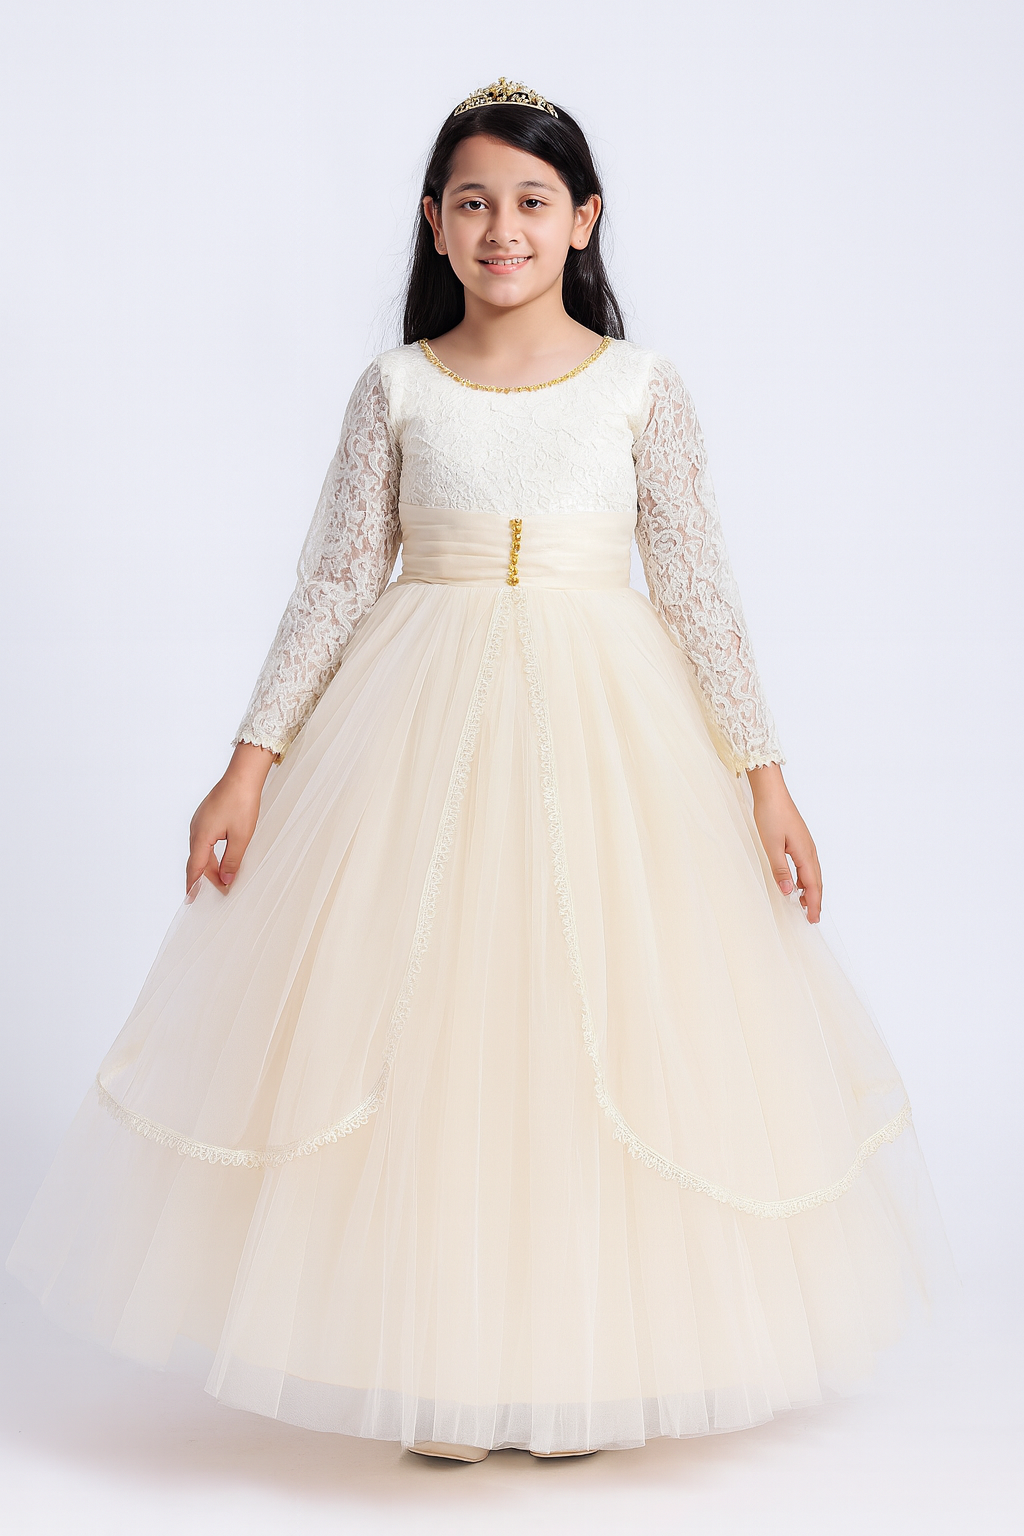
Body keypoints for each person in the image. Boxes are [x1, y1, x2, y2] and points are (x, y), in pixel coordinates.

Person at [8, 77, 946, 1463]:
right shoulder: (397, 387)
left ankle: (574, 1365)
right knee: (430, 1030)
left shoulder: (640, 389)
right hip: (415, 732)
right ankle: (440, 1366)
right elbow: (334, 583)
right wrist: (248, 766)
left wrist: (764, 777)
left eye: (531, 201)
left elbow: (698, 587)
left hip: (609, 738)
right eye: (473, 202)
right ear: (434, 224)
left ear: (584, 220)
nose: (503, 227)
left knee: (589, 1022)